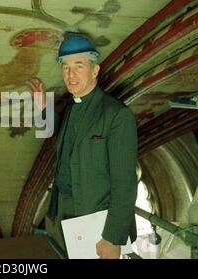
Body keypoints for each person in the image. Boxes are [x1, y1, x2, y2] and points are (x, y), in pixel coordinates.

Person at [29, 33, 138, 259]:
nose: (70, 74)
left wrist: (112, 237)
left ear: (95, 70)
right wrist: (43, 110)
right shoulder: (73, 106)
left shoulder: (117, 115)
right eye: (66, 67)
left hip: (98, 223)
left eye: (78, 66)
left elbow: (125, 184)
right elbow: (68, 141)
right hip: (66, 216)